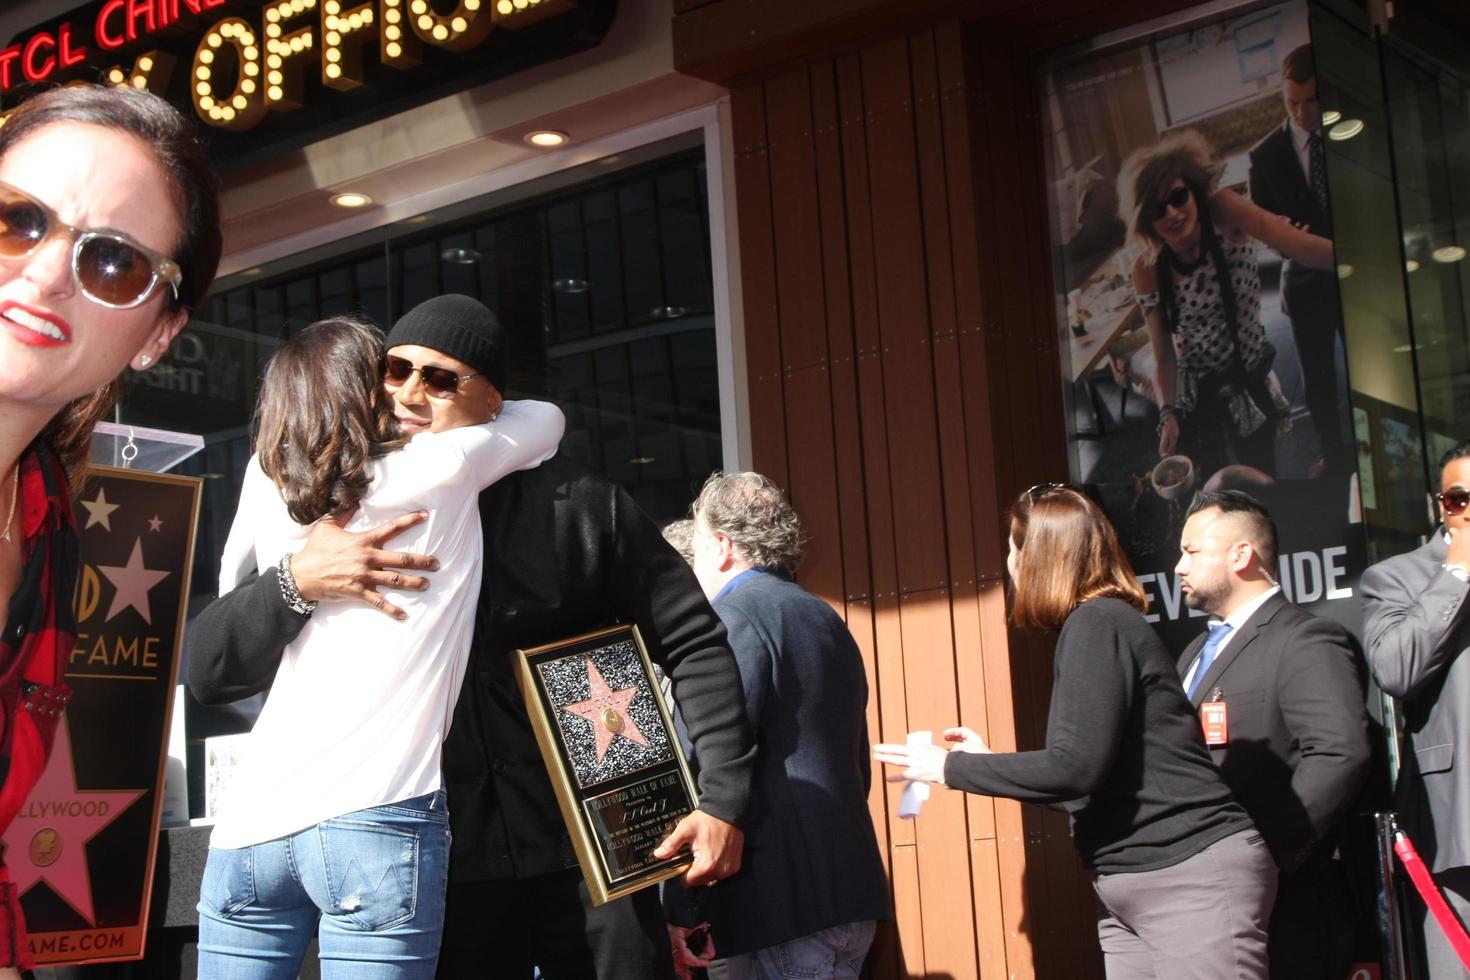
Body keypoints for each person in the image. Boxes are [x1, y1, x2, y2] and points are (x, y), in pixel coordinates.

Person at [188, 294, 756, 980]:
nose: (409, 394)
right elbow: (210, 666)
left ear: (493, 401)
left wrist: (723, 799)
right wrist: (297, 580)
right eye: (395, 371)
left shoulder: (580, 505)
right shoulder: (336, 511)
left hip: (593, 856)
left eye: (440, 378)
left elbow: (694, 641)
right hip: (441, 868)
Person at [195, 312, 565, 978]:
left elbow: (226, 602)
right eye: (388, 374)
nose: (403, 393)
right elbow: (544, 419)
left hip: (248, 827)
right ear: (362, 394)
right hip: (373, 816)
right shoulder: (438, 469)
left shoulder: (270, 481)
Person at [874, 484, 1275, 980]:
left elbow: (1075, 767)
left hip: (1186, 876)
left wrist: (951, 767)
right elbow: (1091, 776)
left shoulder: (1097, 623)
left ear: (1043, 555)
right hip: (1135, 882)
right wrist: (988, 761)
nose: (1010, 561)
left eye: (1015, 546)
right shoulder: (1097, 624)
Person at [0, 84, 220, 976]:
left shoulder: (51, 528)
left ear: (157, 334)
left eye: (115, 262)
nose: (46, 272)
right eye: (17, 219)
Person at [668, 472, 889, 980]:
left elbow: (711, 764)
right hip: (848, 888)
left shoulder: (732, 617)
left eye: (697, 544)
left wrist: (682, 903)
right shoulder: (825, 617)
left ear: (722, 545)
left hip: (777, 898)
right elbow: (857, 763)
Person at [1174, 490, 1370, 979]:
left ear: (1241, 555)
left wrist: (1268, 856)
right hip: (1204, 901)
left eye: (1192, 551)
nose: (1178, 566)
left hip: (1291, 906)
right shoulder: (1195, 650)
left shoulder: (1304, 638)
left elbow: (1338, 752)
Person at [1117, 128, 1336, 480]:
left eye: (1178, 196)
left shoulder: (1223, 211)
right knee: (1212, 486)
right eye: (1158, 208)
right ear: (1147, 220)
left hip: (1248, 375)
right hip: (1196, 392)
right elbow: (1165, 356)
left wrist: (1352, 260)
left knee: (1261, 473)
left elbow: (1294, 244)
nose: (1172, 213)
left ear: (1194, 190)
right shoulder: (1148, 267)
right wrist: (1169, 414)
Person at [1361, 441, 1470, 978]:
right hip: (1460, 823)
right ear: (1440, 505)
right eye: (1458, 498)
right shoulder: (1399, 576)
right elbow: (1397, 670)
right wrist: (1455, 576)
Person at [1248, 44, 1350, 481]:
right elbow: (1263, 222)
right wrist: (1288, 236)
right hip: (1306, 281)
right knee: (1318, 382)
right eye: (1293, 103)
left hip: (1355, 274)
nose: (1303, 113)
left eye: (1311, 102)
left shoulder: (1349, 133)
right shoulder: (1265, 155)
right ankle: (1333, 454)